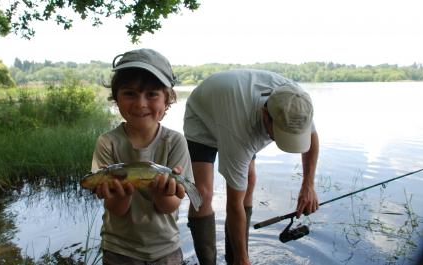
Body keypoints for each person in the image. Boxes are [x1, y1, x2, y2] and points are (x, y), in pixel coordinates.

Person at [183, 69, 320, 265]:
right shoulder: (240, 130)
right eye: (279, 133)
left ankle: (235, 257)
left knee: (250, 179)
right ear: (265, 115)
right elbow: (233, 204)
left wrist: (308, 185)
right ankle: (211, 261)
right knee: (202, 193)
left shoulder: (296, 103)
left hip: (236, 107)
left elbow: (312, 138)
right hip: (203, 116)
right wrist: (243, 259)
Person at [91, 48, 193, 265]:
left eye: (152, 94)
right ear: (116, 99)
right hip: (119, 249)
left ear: (167, 100)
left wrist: (162, 193)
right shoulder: (107, 143)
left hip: (165, 248)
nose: (140, 104)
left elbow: (169, 206)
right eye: (130, 93)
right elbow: (116, 208)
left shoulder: (175, 142)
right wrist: (121, 194)